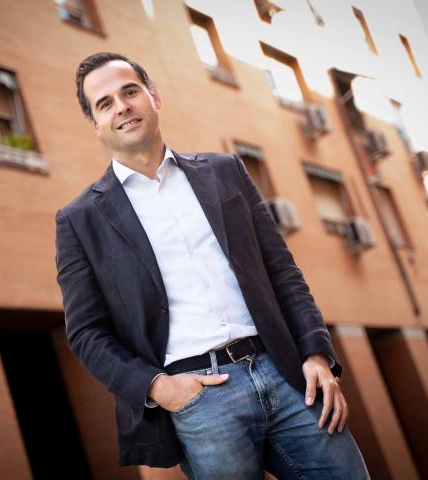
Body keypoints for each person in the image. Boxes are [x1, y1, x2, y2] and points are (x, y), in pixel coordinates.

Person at [55, 51, 369, 479]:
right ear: (94, 123)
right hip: (200, 398)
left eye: (130, 92)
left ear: (154, 97)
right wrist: (158, 388)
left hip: (286, 374)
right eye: (105, 103)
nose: (122, 107)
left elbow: (282, 271)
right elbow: (86, 333)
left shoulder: (225, 171)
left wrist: (316, 354)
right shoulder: (79, 220)